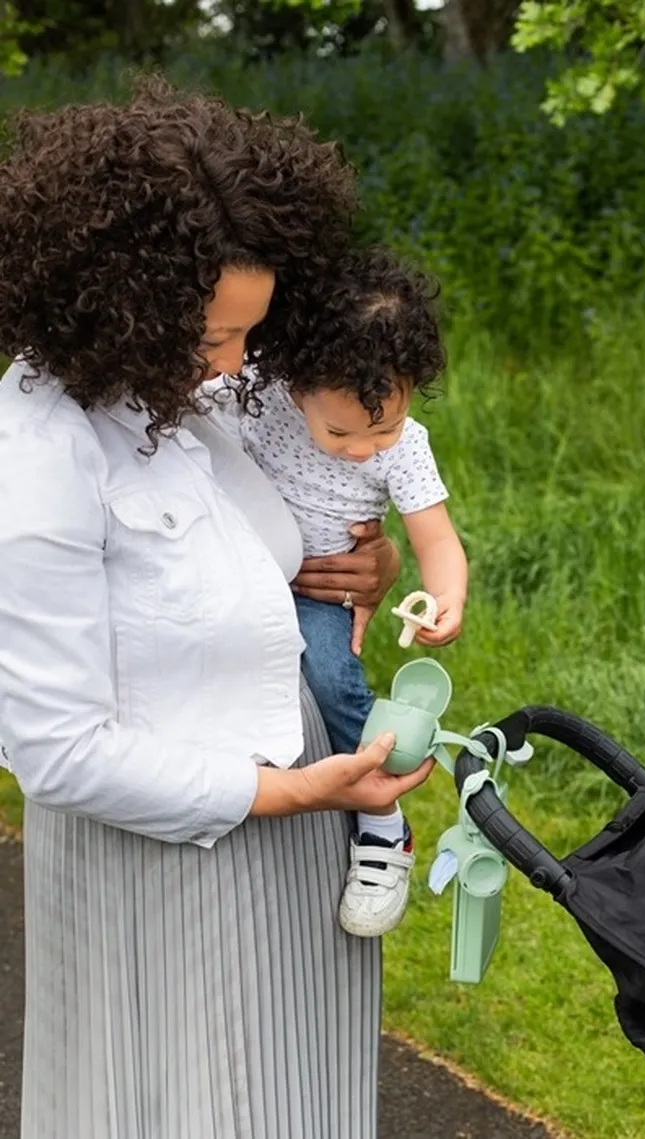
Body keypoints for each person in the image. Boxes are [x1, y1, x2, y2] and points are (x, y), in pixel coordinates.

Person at [0, 77, 433, 1139]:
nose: (240, 368)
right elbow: (56, 750)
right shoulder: (40, 458)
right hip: (167, 861)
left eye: (251, 331)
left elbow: (250, 547)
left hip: (297, 819)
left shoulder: (189, 391)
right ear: (117, 311)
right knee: (195, 1104)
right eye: (213, 341)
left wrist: (352, 566)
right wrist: (286, 794)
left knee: (300, 1097)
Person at [240, 246, 468, 937]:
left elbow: (434, 536)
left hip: (320, 595)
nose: (364, 448)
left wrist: (445, 595)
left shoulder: (405, 447)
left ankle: (381, 824)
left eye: (384, 427)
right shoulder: (257, 394)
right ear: (296, 383)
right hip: (239, 572)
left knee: (335, 678)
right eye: (340, 431)